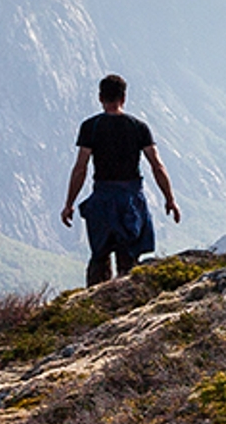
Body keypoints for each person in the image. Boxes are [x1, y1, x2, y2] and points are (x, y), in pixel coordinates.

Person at [60, 73, 181, 285]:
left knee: (99, 258)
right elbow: (157, 165)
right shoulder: (138, 127)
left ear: (100, 97)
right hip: (131, 201)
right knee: (129, 261)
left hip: (102, 201)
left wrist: (69, 204)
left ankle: (94, 309)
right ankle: (126, 306)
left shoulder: (91, 127)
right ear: (124, 98)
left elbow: (81, 168)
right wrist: (170, 199)